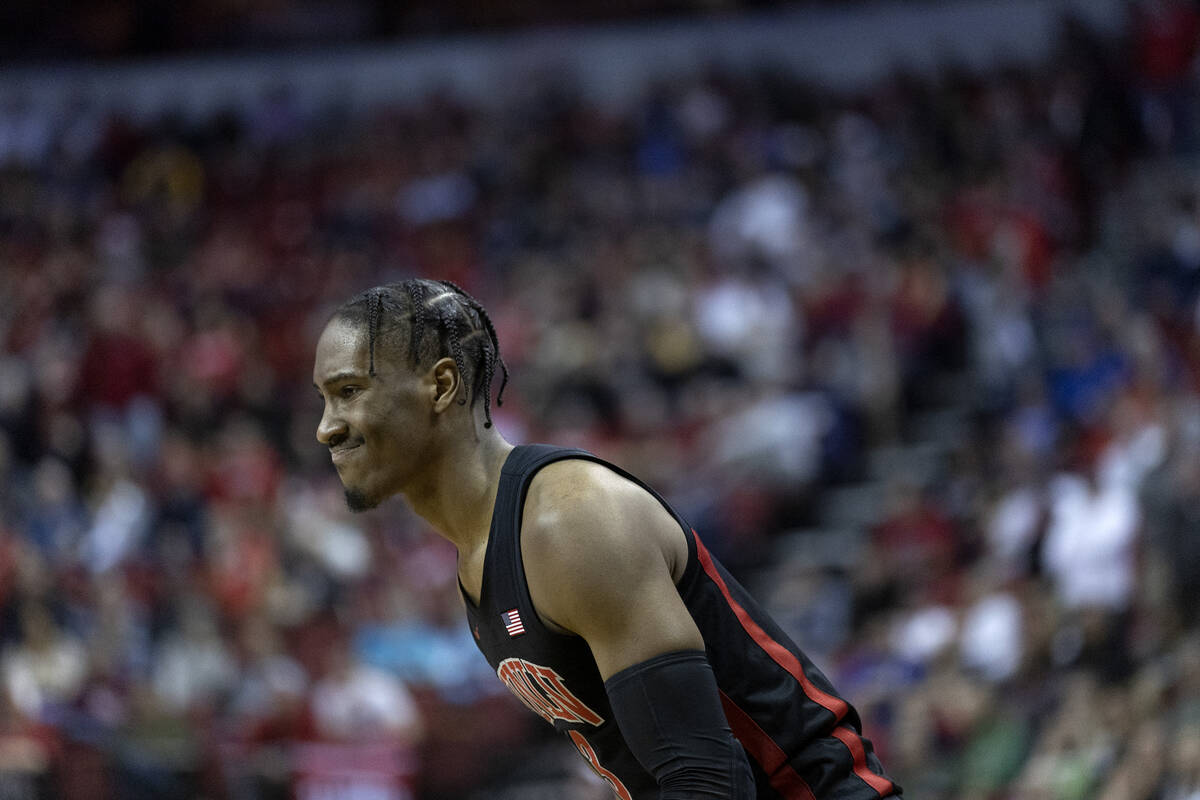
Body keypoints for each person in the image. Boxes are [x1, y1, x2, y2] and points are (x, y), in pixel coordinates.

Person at [312, 279, 900, 799]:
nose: (325, 427)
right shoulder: (481, 552)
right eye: (323, 399)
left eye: (349, 392)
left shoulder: (569, 521)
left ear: (440, 386)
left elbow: (709, 778)